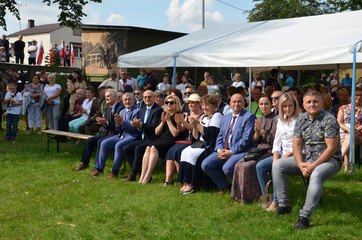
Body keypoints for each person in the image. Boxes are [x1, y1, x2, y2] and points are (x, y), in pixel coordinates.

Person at [272, 90, 341, 229]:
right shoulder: (302, 119)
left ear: (322, 103)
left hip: (329, 160)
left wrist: (313, 165)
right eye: (308, 102)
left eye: (315, 101)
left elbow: (331, 148)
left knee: (316, 174)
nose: (312, 104)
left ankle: (305, 217)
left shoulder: (329, 120)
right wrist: (300, 163)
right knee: (278, 165)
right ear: (303, 104)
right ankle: (284, 205)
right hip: (306, 159)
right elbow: (296, 144)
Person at [201, 93, 255, 192]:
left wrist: (231, 152)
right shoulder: (226, 117)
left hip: (240, 151)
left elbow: (246, 139)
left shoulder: (249, 117)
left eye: (239, 101)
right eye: (234, 101)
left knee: (227, 168)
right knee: (206, 164)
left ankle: (241, 189)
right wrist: (219, 150)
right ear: (230, 103)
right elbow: (220, 136)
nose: (236, 104)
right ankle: (225, 186)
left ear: (244, 103)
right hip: (223, 149)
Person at [256, 92, 300, 211]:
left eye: (290, 105)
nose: (287, 109)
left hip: (296, 155)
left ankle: (277, 201)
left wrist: (283, 157)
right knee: (260, 166)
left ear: (295, 105)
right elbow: (277, 142)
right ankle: (267, 196)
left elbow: (301, 144)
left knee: (276, 167)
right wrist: (276, 156)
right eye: (284, 106)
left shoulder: (299, 120)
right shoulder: (281, 120)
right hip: (281, 154)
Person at [232, 94, 277, 201]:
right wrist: (256, 133)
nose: (264, 106)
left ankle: (260, 195)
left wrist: (261, 131)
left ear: (271, 105)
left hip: (270, 151)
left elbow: (274, 141)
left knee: (247, 167)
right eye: (261, 104)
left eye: (266, 104)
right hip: (258, 150)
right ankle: (239, 196)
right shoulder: (259, 120)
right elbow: (254, 141)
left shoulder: (276, 119)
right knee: (238, 164)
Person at [179, 94, 223, 194]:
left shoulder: (217, 116)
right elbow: (196, 137)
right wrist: (194, 126)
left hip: (210, 145)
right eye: (203, 105)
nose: (204, 107)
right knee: (184, 152)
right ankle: (185, 182)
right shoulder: (205, 118)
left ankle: (192, 184)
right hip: (201, 143)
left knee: (192, 155)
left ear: (214, 105)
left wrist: (197, 124)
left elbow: (211, 136)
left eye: (207, 105)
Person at [91, 92, 139, 178]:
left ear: (133, 100)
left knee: (118, 145)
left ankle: (114, 171)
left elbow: (135, 129)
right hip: (121, 135)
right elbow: (118, 130)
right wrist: (118, 125)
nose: (127, 102)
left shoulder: (137, 111)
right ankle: (99, 168)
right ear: (123, 101)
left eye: (129, 99)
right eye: (125, 100)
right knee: (104, 143)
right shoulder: (122, 111)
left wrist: (122, 123)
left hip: (132, 136)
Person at [139, 94, 184, 184]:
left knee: (153, 147)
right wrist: (163, 122)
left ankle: (147, 176)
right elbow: (156, 132)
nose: (168, 105)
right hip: (162, 139)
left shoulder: (179, 115)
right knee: (148, 148)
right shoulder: (164, 114)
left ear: (176, 104)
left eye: (171, 103)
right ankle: (142, 177)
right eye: (166, 103)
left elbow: (175, 133)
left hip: (172, 141)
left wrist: (168, 121)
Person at [75, 89, 123, 171]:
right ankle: (84, 163)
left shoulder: (120, 108)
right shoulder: (108, 109)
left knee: (100, 141)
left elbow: (118, 127)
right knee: (90, 140)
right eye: (105, 97)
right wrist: (103, 123)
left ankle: (97, 167)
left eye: (108, 96)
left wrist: (106, 123)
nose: (106, 98)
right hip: (107, 132)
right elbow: (107, 126)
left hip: (116, 134)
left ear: (115, 97)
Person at [163, 93, 203, 186]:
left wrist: (183, 121)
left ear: (198, 104)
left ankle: (182, 179)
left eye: (193, 103)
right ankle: (168, 180)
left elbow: (193, 129)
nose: (190, 105)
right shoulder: (187, 114)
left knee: (177, 151)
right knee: (171, 150)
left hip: (196, 141)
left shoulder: (201, 115)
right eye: (189, 103)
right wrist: (179, 123)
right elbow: (181, 129)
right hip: (186, 140)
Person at [124, 90, 163, 181]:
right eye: (145, 97)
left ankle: (133, 174)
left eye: (149, 97)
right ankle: (139, 172)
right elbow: (141, 126)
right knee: (127, 148)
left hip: (153, 139)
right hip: (142, 137)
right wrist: (136, 125)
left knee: (138, 148)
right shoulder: (142, 109)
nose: (147, 99)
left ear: (154, 98)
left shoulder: (158, 110)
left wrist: (140, 125)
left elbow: (154, 127)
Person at [337, 87, 362, 172]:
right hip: (344, 132)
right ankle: (346, 168)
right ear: (351, 96)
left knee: (351, 136)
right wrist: (348, 129)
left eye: (360, 95)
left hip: (358, 133)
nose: (358, 97)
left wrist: (355, 129)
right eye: (356, 95)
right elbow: (339, 122)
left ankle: (338, 159)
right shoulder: (343, 108)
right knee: (349, 137)